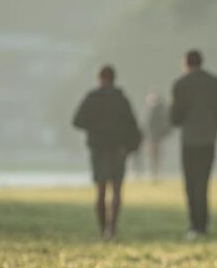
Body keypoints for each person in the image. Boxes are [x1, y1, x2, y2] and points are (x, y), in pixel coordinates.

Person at [72, 64, 142, 240]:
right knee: (117, 190)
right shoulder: (121, 99)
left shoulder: (92, 98)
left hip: (98, 147)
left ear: (100, 78)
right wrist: (130, 146)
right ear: (114, 78)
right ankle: (112, 228)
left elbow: (77, 121)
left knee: (101, 190)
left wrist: (95, 127)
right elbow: (132, 125)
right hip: (118, 148)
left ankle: (102, 228)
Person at [170, 49, 217, 239]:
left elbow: (175, 117)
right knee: (203, 182)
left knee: (190, 183)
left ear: (186, 63)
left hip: (189, 140)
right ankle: (203, 224)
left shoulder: (180, 84)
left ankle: (194, 225)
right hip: (208, 139)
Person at [143, 90, 172, 183]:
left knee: (154, 156)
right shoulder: (162, 109)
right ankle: (157, 174)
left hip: (154, 137)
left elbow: (149, 124)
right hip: (158, 136)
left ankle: (155, 174)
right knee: (158, 156)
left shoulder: (153, 110)